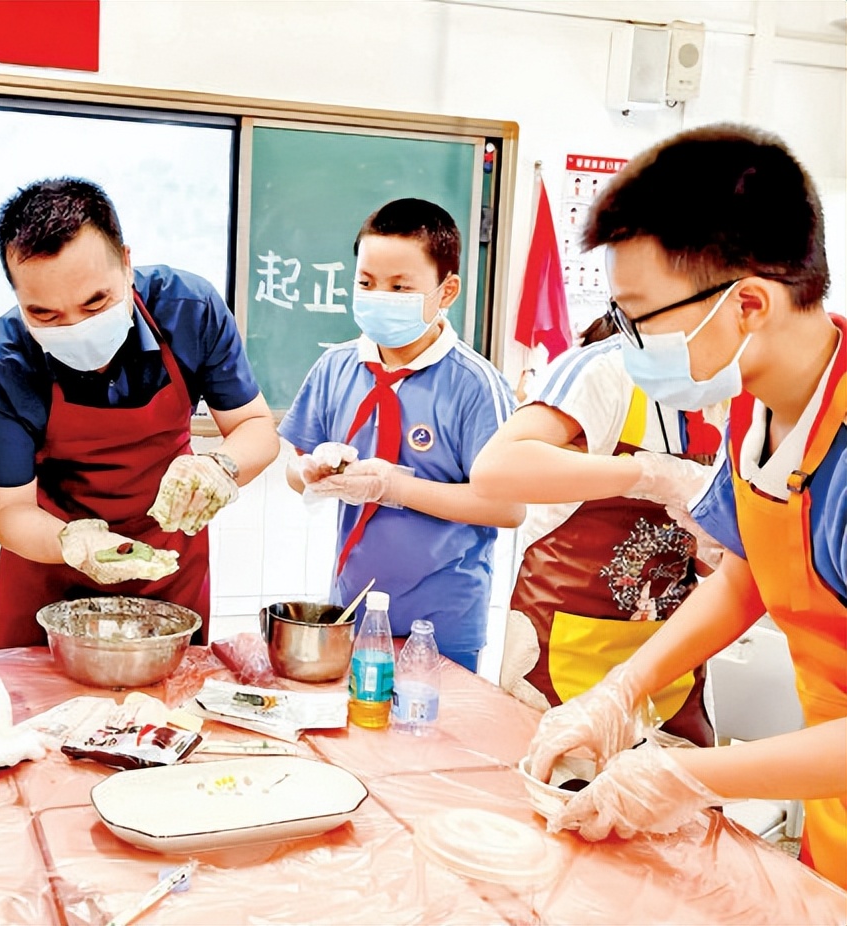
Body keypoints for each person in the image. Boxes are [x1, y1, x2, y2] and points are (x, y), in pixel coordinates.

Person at [522, 124, 847, 890]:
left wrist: (691, 778)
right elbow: (751, 574)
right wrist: (619, 692)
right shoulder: (756, 404)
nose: (626, 342)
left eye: (641, 316)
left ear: (749, 305)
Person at [0, 177, 278, 648]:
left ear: (127, 264)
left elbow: (256, 427)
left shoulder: (188, 310)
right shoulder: (1, 364)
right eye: (46, 315)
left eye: (97, 301)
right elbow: (10, 511)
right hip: (49, 566)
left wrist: (220, 467)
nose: (77, 328)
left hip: (168, 560)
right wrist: (76, 543)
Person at [279, 198, 523, 672]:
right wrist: (307, 472)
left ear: (446, 291)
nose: (378, 296)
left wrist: (395, 487)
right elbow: (294, 471)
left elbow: (508, 508)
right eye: (366, 283)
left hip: (443, 625)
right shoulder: (336, 367)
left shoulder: (475, 384)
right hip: (349, 611)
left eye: (399, 287)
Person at [471, 312, 725, 747]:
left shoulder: (731, 388)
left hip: (670, 660)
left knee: (668, 804)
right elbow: (497, 468)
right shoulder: (603, 370)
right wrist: (646, 474)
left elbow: (715, 566)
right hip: (565, 654)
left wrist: (717, 541)